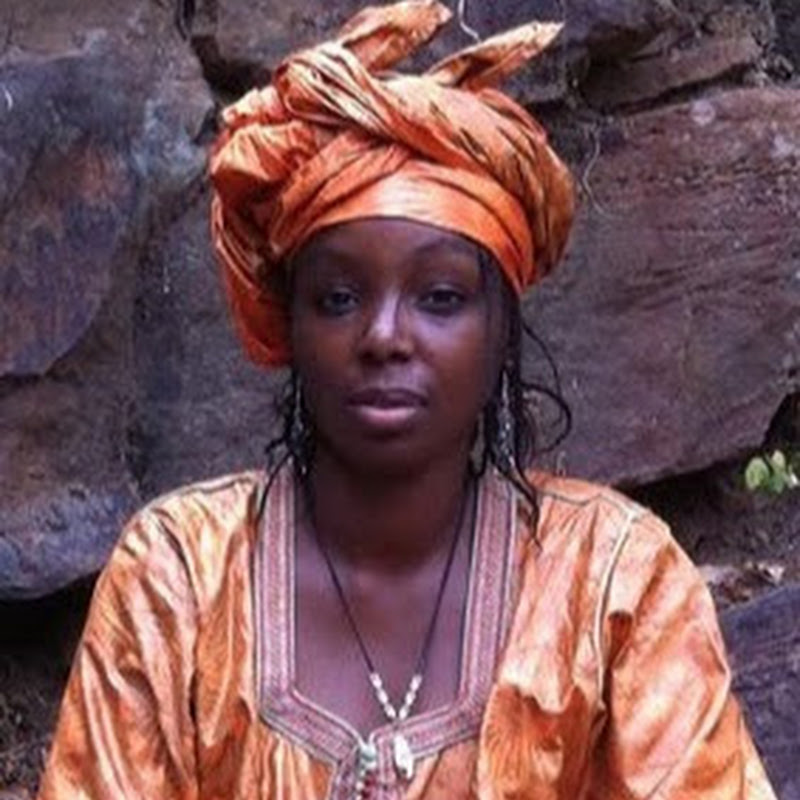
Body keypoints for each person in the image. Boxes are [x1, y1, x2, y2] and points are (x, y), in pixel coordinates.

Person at [38, 2, 776, 798]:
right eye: (339, 298)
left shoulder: (613, 585)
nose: (384, 335)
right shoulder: (180, 579)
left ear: (500, 328)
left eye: (440, 298)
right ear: (290, 326)